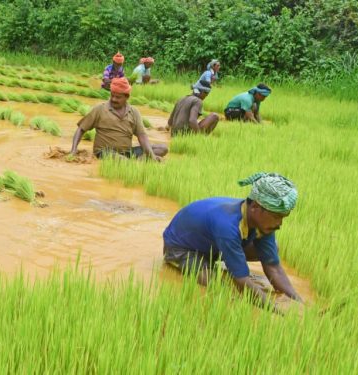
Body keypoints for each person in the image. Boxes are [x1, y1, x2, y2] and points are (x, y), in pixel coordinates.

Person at [162, 172, 303, 311]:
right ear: (255, 207)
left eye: (283, 217)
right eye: (276, 216)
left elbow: (273, 268)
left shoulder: (263, 224)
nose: (280, 223)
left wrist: (298, 302)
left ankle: (227, 263)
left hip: (213, 245)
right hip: (181, 249)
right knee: (219, 287)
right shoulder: (228, 225)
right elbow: (242, 280)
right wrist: (277, 311)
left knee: (273, 249)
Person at [70, 77, 168, 161]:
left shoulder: (134, 112)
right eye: (112, 95)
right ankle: (138, 162)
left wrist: (151, 155)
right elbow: (81, 129)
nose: (113, 99)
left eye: (118, 97)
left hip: (127, 152)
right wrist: (73, 150)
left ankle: (140, 160)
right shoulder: (100, 109)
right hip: (104, 152)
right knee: (122, 160)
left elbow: (142, 136)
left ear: (127, 97)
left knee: (162, 149)